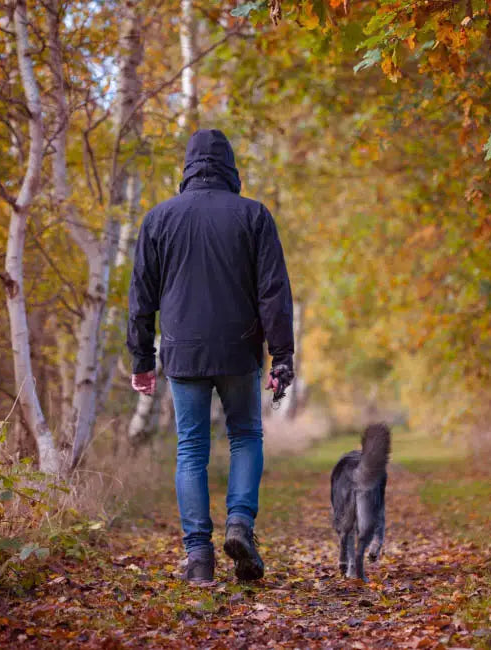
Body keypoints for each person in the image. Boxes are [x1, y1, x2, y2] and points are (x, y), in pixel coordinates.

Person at [127, 129, 294, 584]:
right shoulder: (253, 215)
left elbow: (141, 297)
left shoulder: (158, 219)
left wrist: (142, 359)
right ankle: (240, 523)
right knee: (245, 436)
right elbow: (273, 292)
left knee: (191, 450)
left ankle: (199, 557)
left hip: (182, 352)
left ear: (187, 166)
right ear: (230, 166)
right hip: (239, 349)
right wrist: (282, 356)